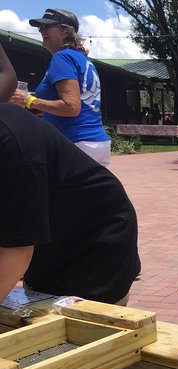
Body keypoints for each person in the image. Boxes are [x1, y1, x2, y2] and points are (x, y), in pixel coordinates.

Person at [0, 103, 141, 306]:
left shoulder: (13, 148)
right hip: (49, 241)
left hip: (96, 242)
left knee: (84, 329)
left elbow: (16, 251)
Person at [9, 9, 111, 166]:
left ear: (66, 31)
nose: (41, 30)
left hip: (73, 142)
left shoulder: (62, 57)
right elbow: (79, 105)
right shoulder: (81, 58)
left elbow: (71, 107)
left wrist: (29, 101)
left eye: (46, 26)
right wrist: (37, 106)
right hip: (94, 142)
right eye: (40, 27)